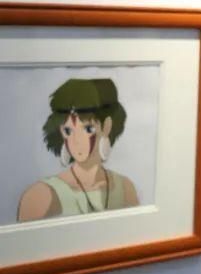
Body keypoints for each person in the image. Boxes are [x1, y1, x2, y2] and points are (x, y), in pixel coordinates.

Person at [17, 78, 139, 222]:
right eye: (68, 131)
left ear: (106, 127)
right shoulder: (41, 195)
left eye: (88, 129)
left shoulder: (125, 188)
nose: (76, 140)